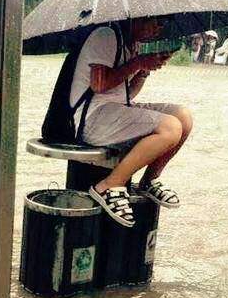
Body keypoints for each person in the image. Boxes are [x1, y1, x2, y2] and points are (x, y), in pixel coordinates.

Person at [69, 17, 193, 228]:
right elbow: (99, 85)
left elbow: (127, 94)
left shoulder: (131, 44)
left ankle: (149, 180)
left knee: (183, 117)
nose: (157, 29)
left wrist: (144, 71)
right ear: (138, 17)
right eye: (155, 22)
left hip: (115, 111)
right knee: (170, 128)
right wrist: (138, 63)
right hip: (93, 119)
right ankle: (108, 186)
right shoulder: (105, 35)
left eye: (160, 25)